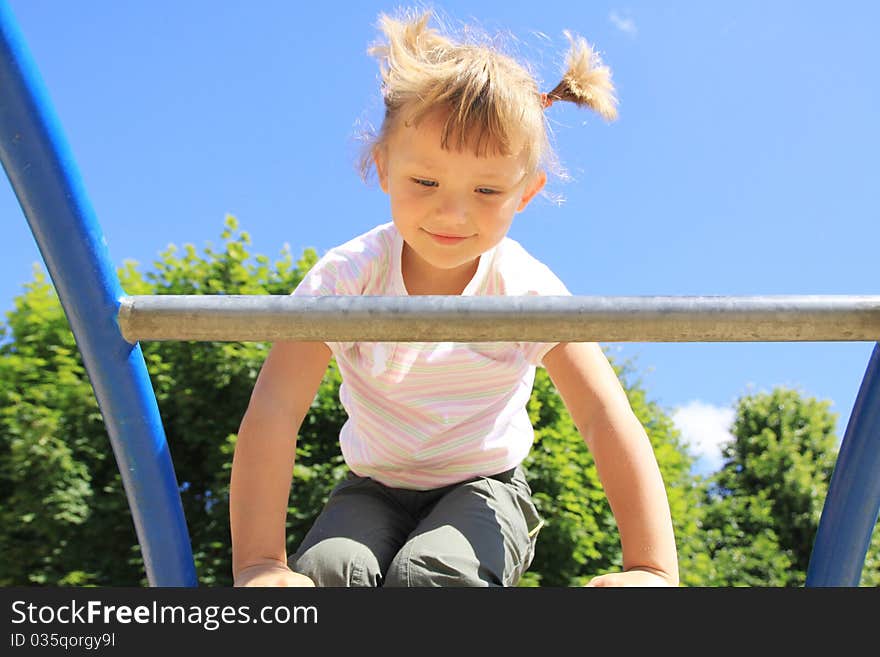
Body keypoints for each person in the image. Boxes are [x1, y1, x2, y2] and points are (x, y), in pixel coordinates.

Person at [230, 8, 679, 587]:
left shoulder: (526, 290)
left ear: (526, 193)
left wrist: (650, 568)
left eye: (487, 189)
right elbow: (274, 411)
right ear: (383, 165)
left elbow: (602, 415)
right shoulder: (347, 279)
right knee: (327, 573)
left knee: (432, 577)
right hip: (372, 487)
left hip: (487, 486)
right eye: (425, 181)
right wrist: (260, 563)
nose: (453, 212)